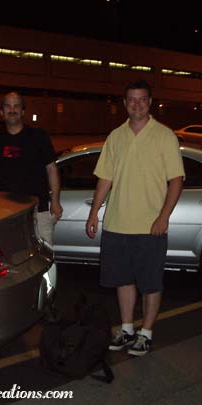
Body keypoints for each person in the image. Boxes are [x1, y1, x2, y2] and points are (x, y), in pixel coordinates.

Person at [86, 80, 184, 356]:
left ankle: (146, 332)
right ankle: (127, 328)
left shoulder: (164, 136)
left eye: (142, 99)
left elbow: (176, 180)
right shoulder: (115, 137)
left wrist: (163, 217)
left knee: (150, 282)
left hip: (150, 225)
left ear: (150, 102)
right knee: (123, 279)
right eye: (131, 100)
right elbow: (105, 177)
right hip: (117, 223)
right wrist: (94, 212)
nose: (137, 104)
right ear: (124, 103)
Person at [0, 91, 63, 245]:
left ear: (23, 111)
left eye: (16, 106)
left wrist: (56, 201)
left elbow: (52, 169)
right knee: (14, 256)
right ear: (1, 112)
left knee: (44, 254)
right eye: (8, 106)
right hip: (7, 213)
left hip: (39, 211)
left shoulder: (39, 136)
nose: (12, 110)